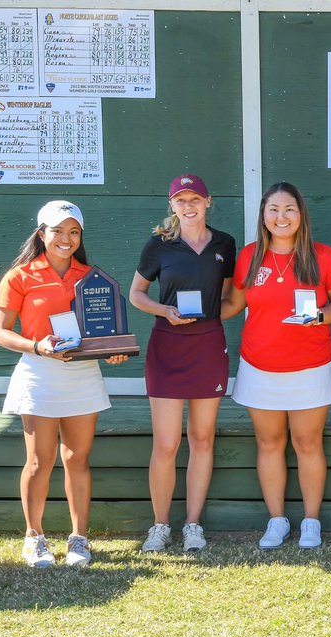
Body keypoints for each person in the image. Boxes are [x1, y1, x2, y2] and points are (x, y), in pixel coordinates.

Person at [0, 200, 130, 567]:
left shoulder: (92, 277)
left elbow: (101, 331)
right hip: (38, 374)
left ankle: (79, 540)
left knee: (77, 460)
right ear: (41, 234)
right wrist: (37, 346)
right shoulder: (19, 276)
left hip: (82, 375)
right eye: (57, 230)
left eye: (73, 232)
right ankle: (34, 537)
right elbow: (1, 334)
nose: (65, 239)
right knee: (39, 462)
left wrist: (112, 350)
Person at [221, 183, 331, 550]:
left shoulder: (322, 256)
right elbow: (233, 306)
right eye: (274, 209)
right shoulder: (248, 257)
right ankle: (277, 520)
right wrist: (191, 314)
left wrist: (321, 316)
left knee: (308, 443)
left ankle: (311, 522)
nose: (281, 217)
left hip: (311, 365)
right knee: (269, 443)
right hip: (259, 365)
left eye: (289, 209)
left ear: (301, 214)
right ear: (263, 215)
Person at [129, 174, 237, 554]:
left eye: (195, 199)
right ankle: (160, 526)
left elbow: (226, 298)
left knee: (203, 439)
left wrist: (210, 320)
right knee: (167, 442)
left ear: (208, 201)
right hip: (167, 345)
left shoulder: (225, 243)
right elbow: (136, 294)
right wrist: (165, 311)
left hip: (207, 345)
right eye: (181, 200)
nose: (188, 206)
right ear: (171, 205)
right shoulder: (159, 245)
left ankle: (193, 525)